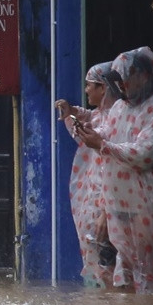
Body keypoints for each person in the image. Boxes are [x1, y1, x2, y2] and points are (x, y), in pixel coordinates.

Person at [74, 47, 153, 294]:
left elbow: (144, 154)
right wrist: (90, 135)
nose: (121, 86)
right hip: (122, 207)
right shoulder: (120, 108)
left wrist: (102, 145)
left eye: (124, 79)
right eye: (116, 81)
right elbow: (107, 133)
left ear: (143, 76)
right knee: (130, 273)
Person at [57, 62, 125, 287]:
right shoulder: (102, 114)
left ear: (103, 88)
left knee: (112, 268)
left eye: (89, 86)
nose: (86, 90)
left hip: (107, 206)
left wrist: (106, 212)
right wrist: (73, 111)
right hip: (96, 204)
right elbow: (91, 120)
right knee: (99, 267)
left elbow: (99, 139)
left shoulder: (118, 118)